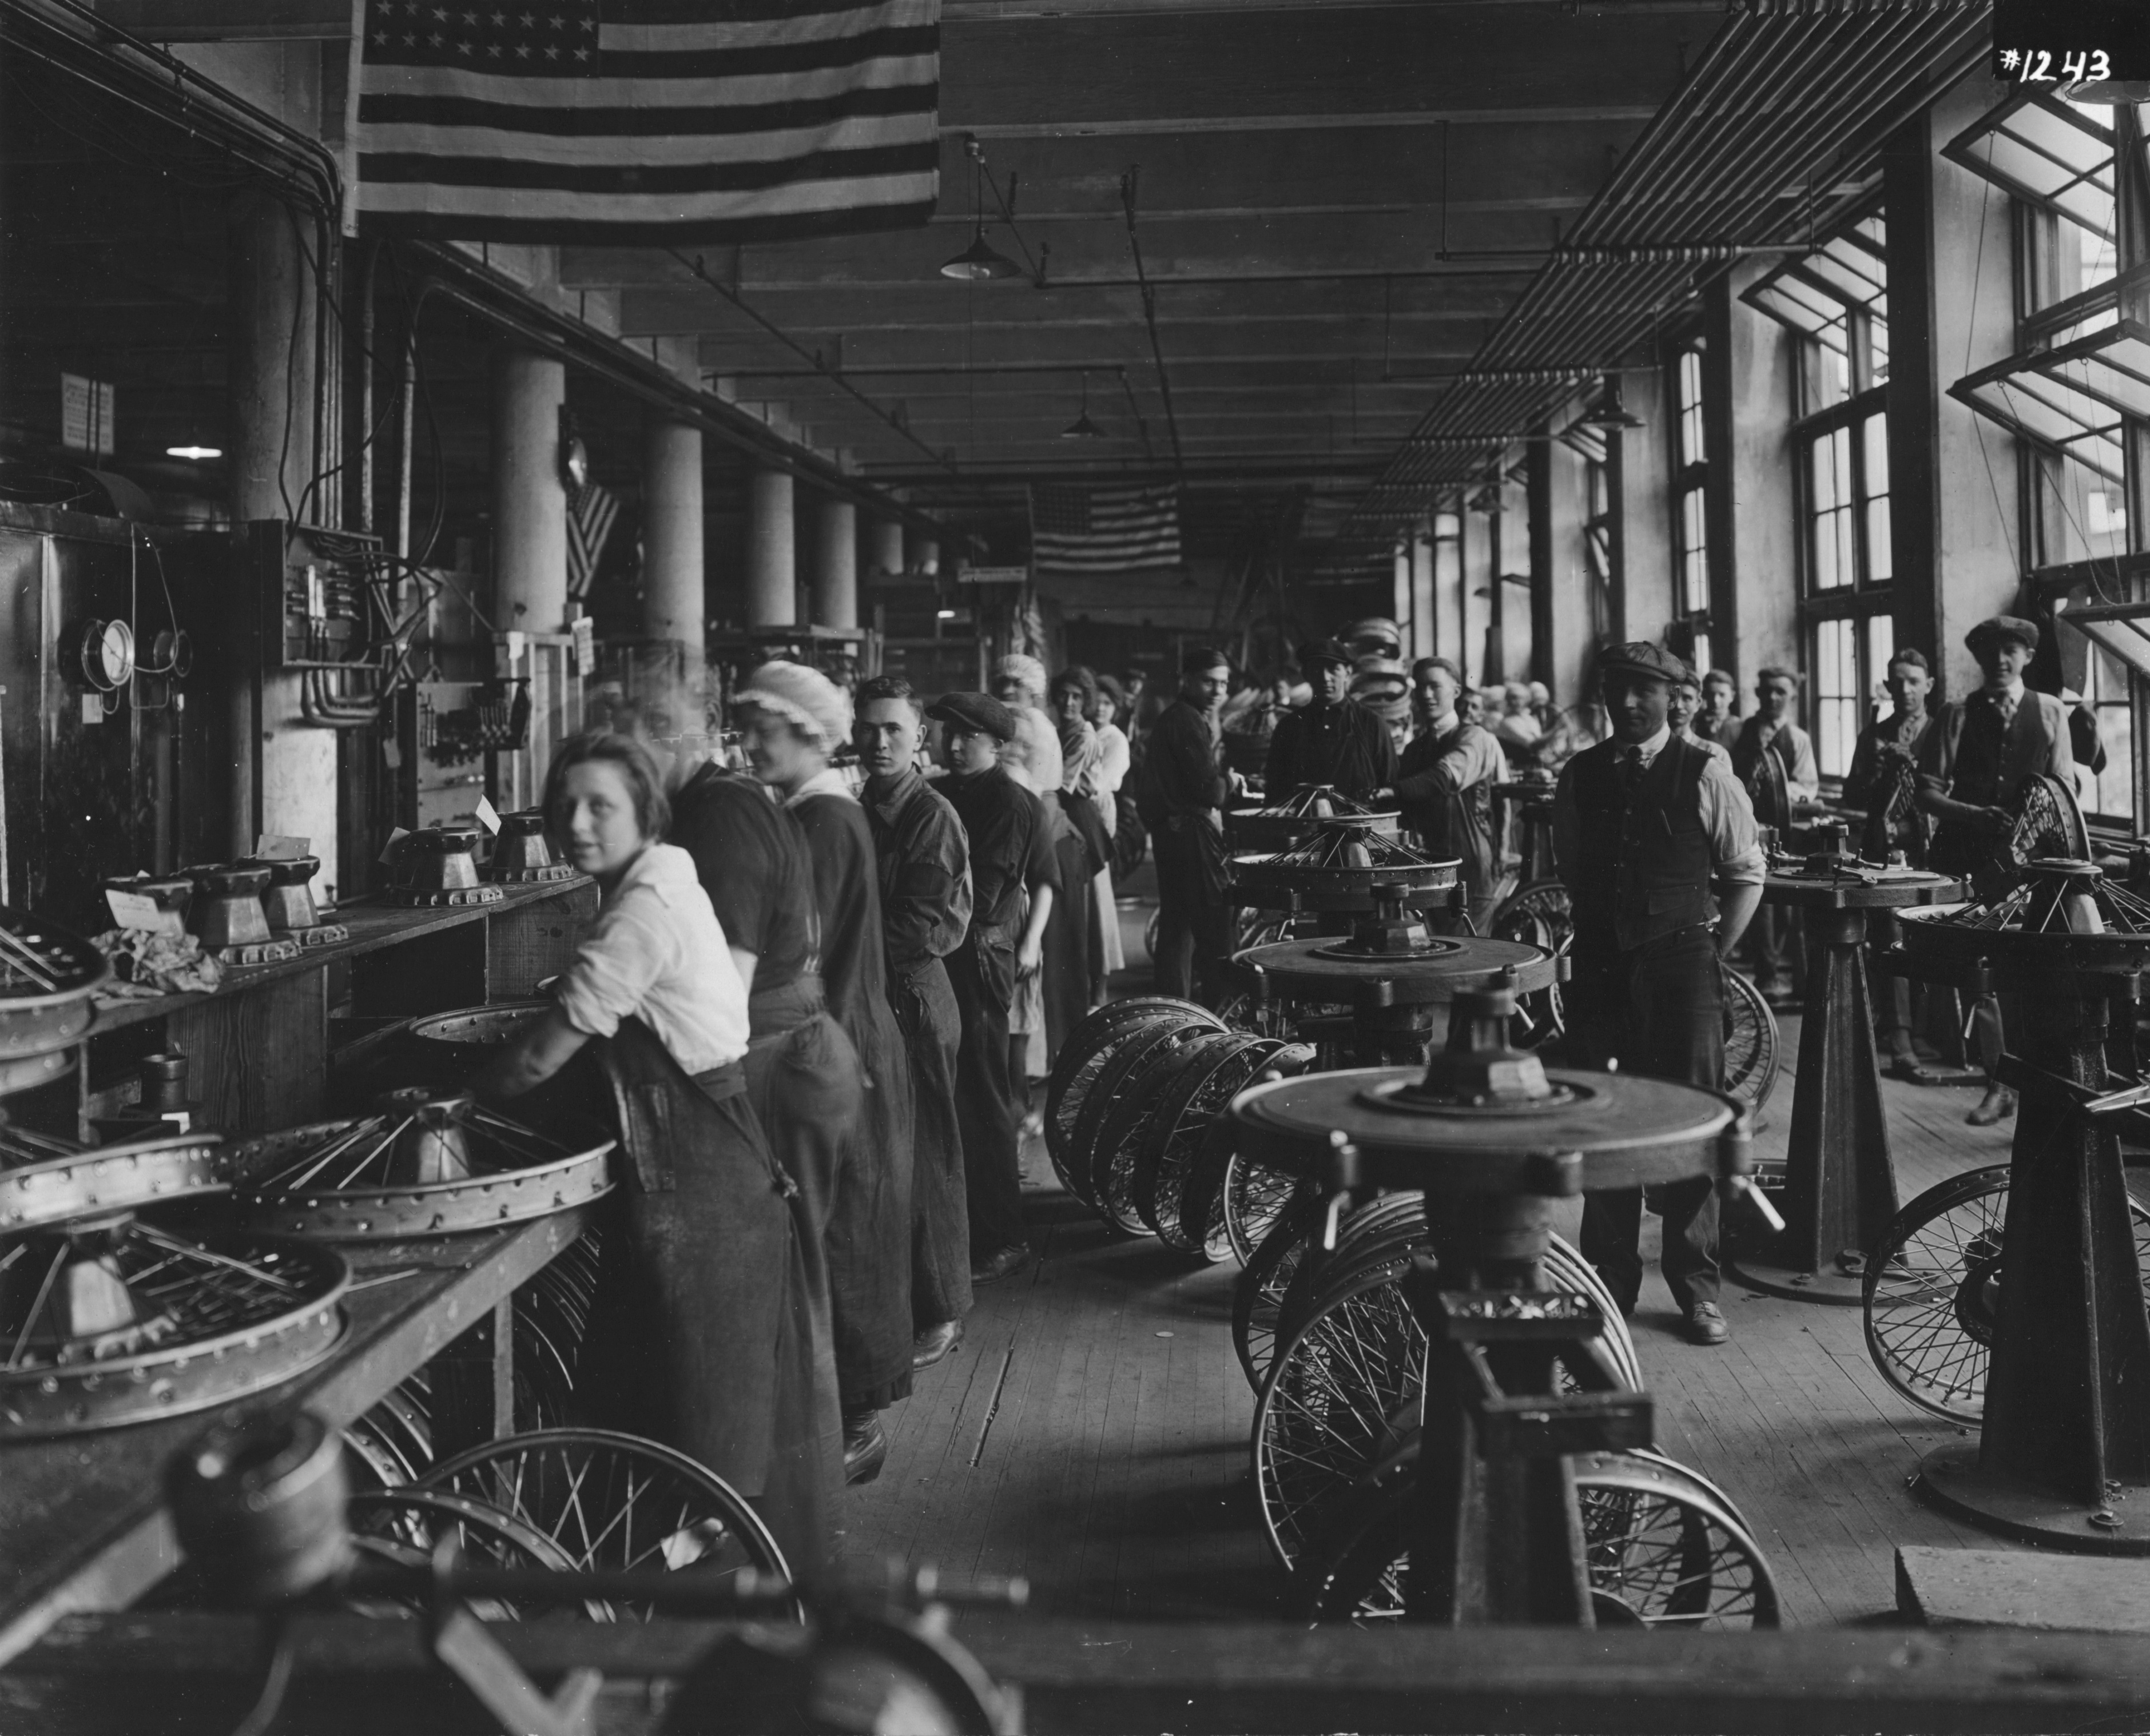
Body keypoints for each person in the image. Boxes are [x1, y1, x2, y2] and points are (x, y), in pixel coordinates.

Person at [470, 731, 838, 1568]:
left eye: (601, 805)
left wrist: (450, 1108)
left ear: (645, 811)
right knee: (673, 1408)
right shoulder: (662, 871)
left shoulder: (641, 910)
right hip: (702, 1164)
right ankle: (656, 1566)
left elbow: (536, 1058)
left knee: (698, 1420)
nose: (578, 823)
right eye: (565, 805)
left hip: (702, 1186)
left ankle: (669, 1585)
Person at [1552, 644, 1765, 1348]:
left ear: (1675, 696)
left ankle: (1697, 1288)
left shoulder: (1708, 773)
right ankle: (1607, 1283)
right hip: (1602, 973)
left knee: (1690, 1124)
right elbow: (1573, 867)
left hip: (1681, 970)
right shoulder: (1579, 775)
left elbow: (1745, 873)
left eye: (1645, 690)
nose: (1630, 703)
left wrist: (1708, 953)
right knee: (1602, 1123)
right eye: (1618, 690)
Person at [735, 662, 916, 1486]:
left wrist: (815, 1051)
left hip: (838, 1037)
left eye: (763, 730)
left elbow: (811, 955)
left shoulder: (825, 822)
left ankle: (855, 1424)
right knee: (839, 1226)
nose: (748, 744)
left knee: (842, 1234)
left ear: (809, 735)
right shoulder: (804, 812)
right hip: (834, 1035)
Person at [854, 676, 973, 1371]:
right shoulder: (865, 807)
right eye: (868, 727)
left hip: (913, 996)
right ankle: (908, 1299)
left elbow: (917, 927)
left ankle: (942, 1309)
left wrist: (837, 953)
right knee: (891, 1154)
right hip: (874, 991)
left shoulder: (929, 816)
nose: (878, 741)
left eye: (893, 729)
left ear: (919, 737)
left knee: (928, 1151)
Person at [1917, 614, 2075, 1126]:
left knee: (2033, 976)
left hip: (2032, 869)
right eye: (1991, 652)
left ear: (2027, 656)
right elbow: (1927, 792)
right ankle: (1998, 1084)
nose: (2000, 661)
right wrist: (1973, 814)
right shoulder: (1954, 714)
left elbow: (2062, 791)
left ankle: (2038, 1086)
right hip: (1967, 862)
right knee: (1981, 976)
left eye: (2011, 650)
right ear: (1979, 658)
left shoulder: (2051, 711)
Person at [930, 691, 1058, 1285]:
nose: (954, 746)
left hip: (979, 956)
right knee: (957, 1090)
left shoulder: (1008, 802)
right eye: (947, 733)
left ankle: (1003, 1236)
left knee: (981, 1092)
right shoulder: (944, 789)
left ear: (997, 744)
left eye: (969, 737)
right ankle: (963, 1227)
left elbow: (978, 896)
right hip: (949, 953)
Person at [1842, 647, 1936, 1078]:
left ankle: (1928, 1032)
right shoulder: (1872, 735)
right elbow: (1851, 797)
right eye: (1896, 682)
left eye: (1913, 681)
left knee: (1933, 937)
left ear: (1928, 686)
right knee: (1892, 935)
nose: (1904, 690)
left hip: (1932, 852)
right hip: (1885, 856)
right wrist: (1878, 773)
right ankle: (1899, 1039)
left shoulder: (1940, 732)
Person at [1138, 646, 1237, 1006]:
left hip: (1171, 833)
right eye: (1209, 682)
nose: (1218, 692)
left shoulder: (1179, 717)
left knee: (1177, 930)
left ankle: (1175, 1016)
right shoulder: (1187, 721)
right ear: (1188, 680)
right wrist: (1231, 781)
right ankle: (1216, 1018)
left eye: (1223, 684)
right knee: (1215, 930)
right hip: (1190, 836)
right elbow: (1210, 790)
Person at [1392, 657, 1504, 931]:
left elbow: (1444, 777)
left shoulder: (1476, 738)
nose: (1426, 695)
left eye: (1434, 686)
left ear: (1455, 691)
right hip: (1427, 864)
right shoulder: (1414, 749)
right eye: (1420, 687)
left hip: (1470, 866)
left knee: (1470, 953)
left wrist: (1392, 790)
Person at [1729, 667, 1819, 1006]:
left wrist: (1779, 791)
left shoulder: (1798, 739)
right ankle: (1766, 973)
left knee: (1781, 905)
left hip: (1783, 828)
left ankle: (1780, 972)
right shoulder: (1737, 730)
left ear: (1792, 695)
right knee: (1754, 897)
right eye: (1766, 691)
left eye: (1780, 691)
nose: (1772, 698)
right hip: (1743, 826)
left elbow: (1807, 786)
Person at [1263, 638, 1396, 801]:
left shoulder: (1371, 723)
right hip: (1302, 823)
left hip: (1361, 823)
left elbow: (1390, 786)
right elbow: (1274, 790)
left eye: (1334, 670)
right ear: (1306, 674)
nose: (1325, 677)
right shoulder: (1289, 726)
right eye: (1317, 670)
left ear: (1348, 673)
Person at [1666, 672, 1731, 765]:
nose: (1679, 706)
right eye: (1673, 697)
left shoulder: (1715, 753)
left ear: (1698, 703)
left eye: (1687, 698)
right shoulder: (1648, 747)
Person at [1494, 682, 1544, 764]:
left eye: (1517, 698)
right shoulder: (1507, 722)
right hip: (1524, 765)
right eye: (1510, 698)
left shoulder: (1530, 719)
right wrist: (1556, 728)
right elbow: (1534, 745)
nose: (1513, 702)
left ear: (1527, 700)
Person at [1693, 669, 1739, 746]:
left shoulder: (1740, 726)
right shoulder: (1694, 722)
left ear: (1732, 696)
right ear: (1704, 695)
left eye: (1722, 695)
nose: (1716, 701)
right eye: (1711, 694)